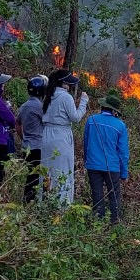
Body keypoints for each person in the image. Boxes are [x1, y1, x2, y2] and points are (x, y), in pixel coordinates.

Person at [40, 68, 89, 204]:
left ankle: (43, 201)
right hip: (60, 136)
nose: (70, 86)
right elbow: (76, 117)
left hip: (46, 135)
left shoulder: (48, 94)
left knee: (46, 169)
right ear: (63, 83)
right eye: (68, 83)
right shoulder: (66, 97)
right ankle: (61, 204)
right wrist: (84, 102)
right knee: (62, 169)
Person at [83, 92, 130, 223]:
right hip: (112, 167)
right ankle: (115, 222)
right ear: (115, 111)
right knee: (114, 196)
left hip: (93, 165)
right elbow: (123, 153)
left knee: (97, 195)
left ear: (102, 107)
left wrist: (86, 160)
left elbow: (85, 143)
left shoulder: (91, 120)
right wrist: (124, 173)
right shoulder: (120, 125)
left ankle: (98, 222)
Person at [18, 75, 48, 203]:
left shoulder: (24, 106)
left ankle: (28, 201)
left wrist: (23, 137)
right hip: (38, 147)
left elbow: (17, 123)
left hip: (26, 146)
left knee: (30, 176)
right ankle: (33, 203)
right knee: (37, 177)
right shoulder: (40, 107)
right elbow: (48, 122)